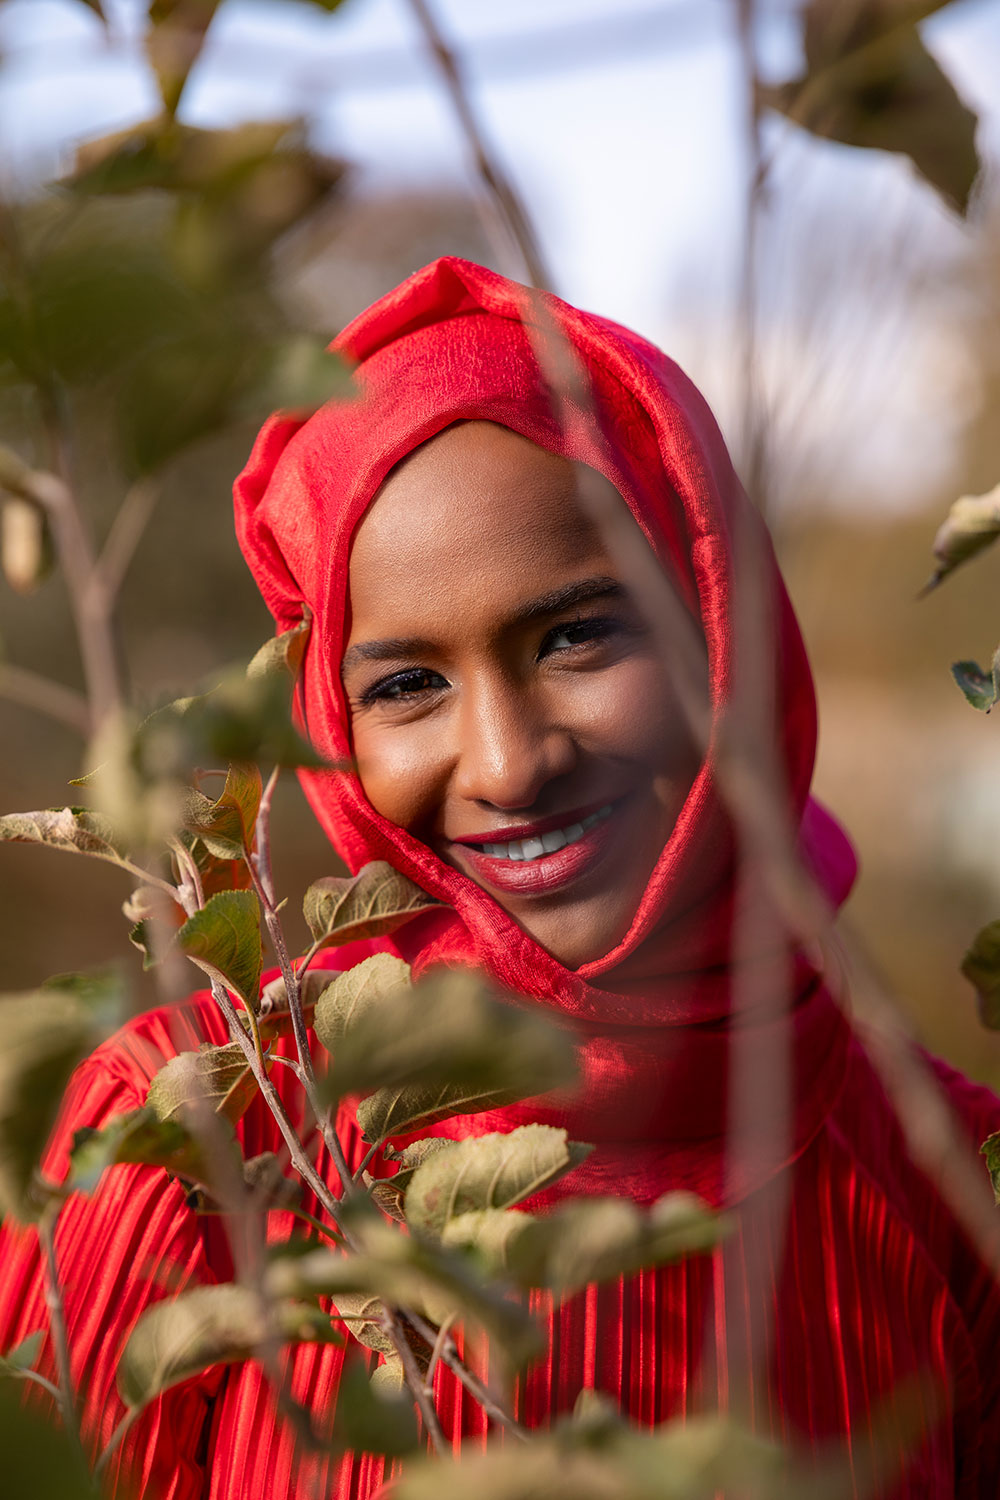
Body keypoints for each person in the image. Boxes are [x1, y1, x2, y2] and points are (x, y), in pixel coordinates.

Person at [1, 255, 999, 1498]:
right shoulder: (195, 1137)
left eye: (578, 633)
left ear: (719, 622)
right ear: (325, 720)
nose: (509, 763)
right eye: (405, 685)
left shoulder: (954, 1187)